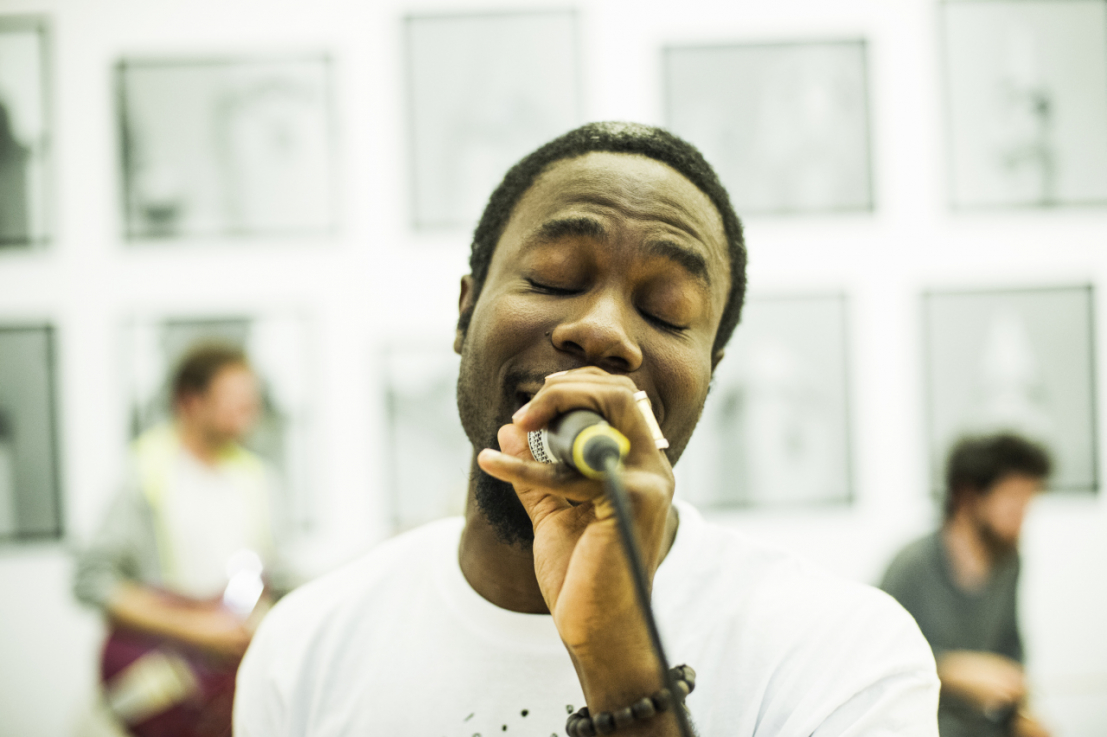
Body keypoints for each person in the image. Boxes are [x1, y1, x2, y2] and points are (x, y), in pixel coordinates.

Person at [235, 122, 939, 736]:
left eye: (665, 311)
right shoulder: (304, 646)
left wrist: (618, 653)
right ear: (464, 313)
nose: (602, 330)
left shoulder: (843, 656)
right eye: (552, 278)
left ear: (710, 374)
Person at [74, 343, 286, 736]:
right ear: (191, 401)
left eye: (253, 400)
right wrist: (196, 628)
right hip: (162, 677)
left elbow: (274, 573)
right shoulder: (144, 474)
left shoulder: (257, 479)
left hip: (225, 683)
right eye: (237, 399)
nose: (251, 410)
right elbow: (92, 581)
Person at [880, 433, 1052, 737]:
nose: (1022, 514)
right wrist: (952, 670)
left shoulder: (1008, 562)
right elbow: (877, 661)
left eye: (1028, 500)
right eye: (1013, 498)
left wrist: (1020, 713)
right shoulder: (911, 566)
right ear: (967, 496)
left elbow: (1010, 648)